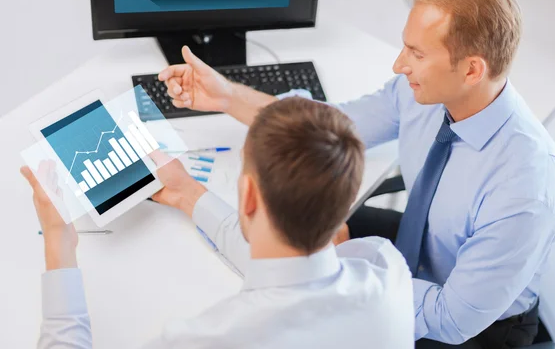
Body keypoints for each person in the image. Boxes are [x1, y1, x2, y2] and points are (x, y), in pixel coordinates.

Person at [158, 0, 555, 348]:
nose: (398, 64)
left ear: (471, 70)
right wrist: (226, 96)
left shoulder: (526, 189)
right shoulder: (424, 95)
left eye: (416, 53)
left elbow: (452, 318)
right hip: (416, 251)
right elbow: (323, 128)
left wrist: (334, 277)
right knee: (293, 229)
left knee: (296, 260)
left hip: (477, 327)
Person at [22, 97, 415, 349]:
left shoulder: (207, 338)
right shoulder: (387, 269)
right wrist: (187, 193)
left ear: (246, 196)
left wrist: (58, 243)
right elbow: (294, 270)